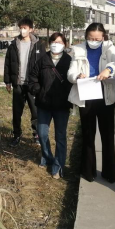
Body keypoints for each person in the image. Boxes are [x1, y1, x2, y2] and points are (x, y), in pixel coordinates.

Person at [67, 23, 115, 183]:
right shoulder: (78, 49)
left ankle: (109, 172)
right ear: (86, 36)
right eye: (91, 38)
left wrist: (109, 69)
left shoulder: (109, 47)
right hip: (86, 94)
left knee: (108, 135)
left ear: (103, 37)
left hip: (105, 95)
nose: (94, 41)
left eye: (97, 39)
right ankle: (88, 170)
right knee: (88, 134)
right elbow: (70, 72)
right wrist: (77, 76)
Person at [28, 33, 73, 179]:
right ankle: (47, 157)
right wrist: (38, 90)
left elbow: (73, 80)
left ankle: (58, 165)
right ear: (49, 43)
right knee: (42, 133)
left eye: (59, 42)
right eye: (53, 41)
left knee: (60, 136)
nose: (56, 44)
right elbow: (32, 78)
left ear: (65, 44)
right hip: (44, 104)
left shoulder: (69, 61)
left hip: (62, 105)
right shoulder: (43, 59)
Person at [4, 18, 46, 147]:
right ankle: (17, 134)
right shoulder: (13, 45)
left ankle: (36, 134)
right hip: (18, 84)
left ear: (31, 29)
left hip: (33, 85)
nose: (22, 30)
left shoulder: (39, 45)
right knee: (17, 112)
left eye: (25, 28)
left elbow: (43, 65)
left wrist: (42, 82)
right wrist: (7, 81)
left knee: (35, 111)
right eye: (21, 28)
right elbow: (7, 64)